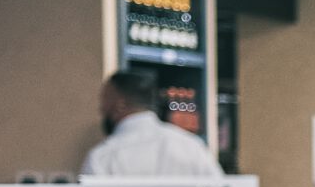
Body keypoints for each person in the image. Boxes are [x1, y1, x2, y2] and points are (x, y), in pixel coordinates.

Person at [83, 69, 223, 178]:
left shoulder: (104, 157)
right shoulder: (193, 147)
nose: (100, 108)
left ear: (119, 104)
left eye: (104, 100)